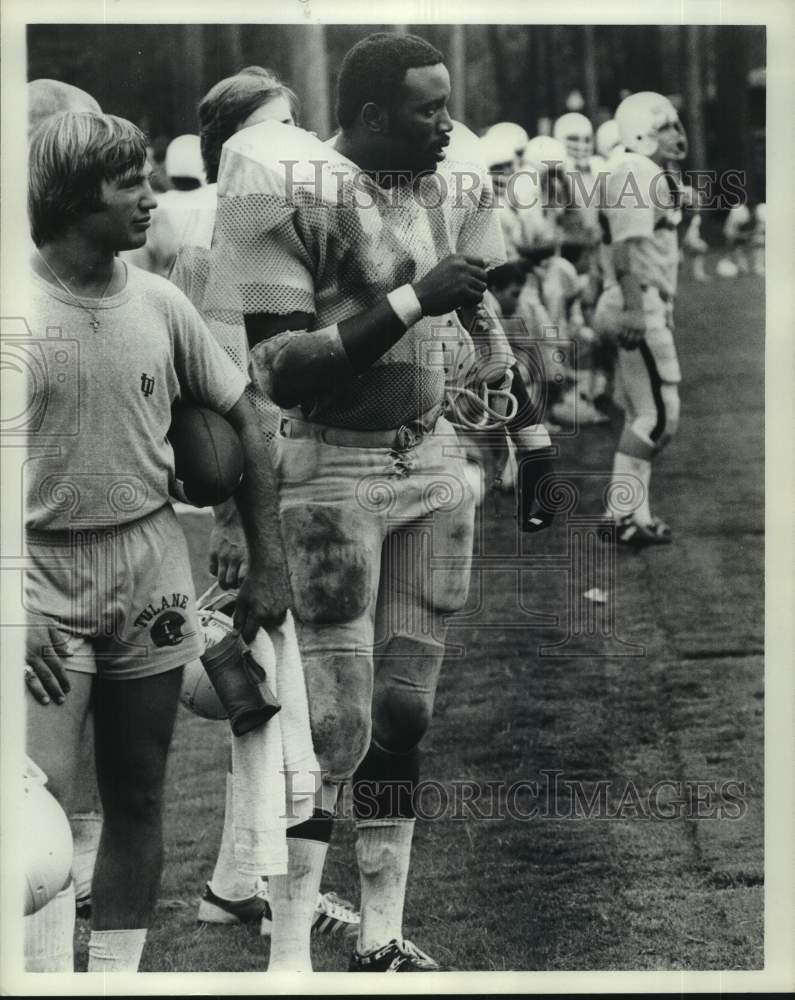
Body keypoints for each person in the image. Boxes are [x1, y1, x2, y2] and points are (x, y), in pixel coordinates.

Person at [203, 31, 552, 971]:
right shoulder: (286, 188)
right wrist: (407, 301)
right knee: (334, 724)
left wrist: (530, 436)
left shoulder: (451, 185)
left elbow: (481, 316)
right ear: (367, 116)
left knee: (404, 713)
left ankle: (384, 936)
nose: (447, 123)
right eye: (426, 108)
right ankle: (288, 955)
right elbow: (279, 371)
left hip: (431, 462)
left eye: (446, 102)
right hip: (332, 469)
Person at [23, 110, 289, 972]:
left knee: (138, 795)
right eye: (127, 182)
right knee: (41, 809)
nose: (150, 199)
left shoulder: (160, 300)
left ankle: (112, 982)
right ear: (69, 196)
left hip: (149, 565)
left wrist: (261, 552)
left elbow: (243, 417)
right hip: (39, 577)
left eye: (148, 177)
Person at [167, 66, 358, 938]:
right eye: (277, 126)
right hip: (263, 490)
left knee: (280, 695)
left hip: (302, 476)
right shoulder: (214, 241)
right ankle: (257, 884)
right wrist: (237, 526)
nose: (301, 141)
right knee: (269, 695)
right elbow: (222, 402)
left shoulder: (282, 222)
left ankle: (240, 878)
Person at [594, 91, 688, 545]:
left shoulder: (643, 170)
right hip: (636, 303)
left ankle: (631, 515)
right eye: (668, 125)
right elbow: (624, 247)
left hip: (638, 301)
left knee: (641, 414)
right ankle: (623, 515)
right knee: (658, 417)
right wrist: (634, 306)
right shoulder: (635, 169)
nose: (678, 134)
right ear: (641, 130)